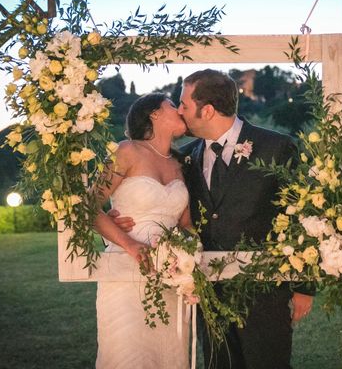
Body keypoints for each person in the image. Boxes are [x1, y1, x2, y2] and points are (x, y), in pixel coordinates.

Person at [112, 70, 314, 369]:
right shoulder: (185, 158)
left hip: (264, 295)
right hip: (209, 295)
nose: (179, 110)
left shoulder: (277, 147)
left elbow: (302, 216)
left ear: (206, 110)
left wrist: (304, 287)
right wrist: (121, 217)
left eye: (183, 103)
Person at [92, 92, 192, 369]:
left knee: (168, 355)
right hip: (125, 269)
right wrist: (129, 243)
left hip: (171, 276)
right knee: (129, 354)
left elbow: (186, 225)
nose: (180, 110)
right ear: (154, 113)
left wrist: (189, 256)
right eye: (173, 105)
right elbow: (87, 206)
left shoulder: (179, 164)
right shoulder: (126, 151)